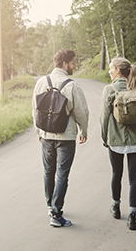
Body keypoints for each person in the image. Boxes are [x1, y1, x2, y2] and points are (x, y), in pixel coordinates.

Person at [32, 49, 89, 228]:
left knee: (48, 171)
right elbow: (81, 111)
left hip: (47, 135)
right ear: (64, 64)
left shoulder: (42, 82)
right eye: (73, 62)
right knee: (62, 174)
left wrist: (39, 131)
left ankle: (50, 206)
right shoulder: (71, 85)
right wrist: (83, 130)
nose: (74, 66)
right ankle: (57, 214)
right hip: (66, 136)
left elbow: (35, 110)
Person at [100, 56, 136, 231]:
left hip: (116, 141)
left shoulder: (109, 90)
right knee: (134, 178)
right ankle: (132, 215)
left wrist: (105, 138)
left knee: (116, 174)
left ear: (118, 71)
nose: (109, 71)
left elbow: (104, 117)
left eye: (111, 68)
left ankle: (116, 206)